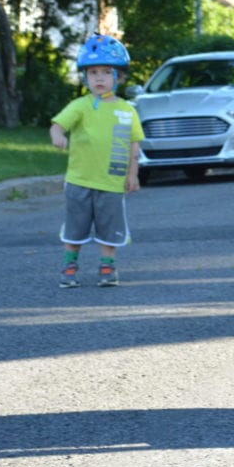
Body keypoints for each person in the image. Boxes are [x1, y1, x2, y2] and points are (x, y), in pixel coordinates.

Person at [50, 33, 144, 289]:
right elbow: (58, 125)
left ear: (119, 77)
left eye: (106, 72)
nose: (99, 78)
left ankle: (107, 266)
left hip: (111, 182)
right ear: (85, 77)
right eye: (93, 73)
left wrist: (132, 174)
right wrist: (58, 135)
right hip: (79, 180)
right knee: (75, 227)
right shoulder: (79, 105)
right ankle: (69, 266)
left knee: (109, 228)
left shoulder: (127, 110)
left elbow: (134, 146)